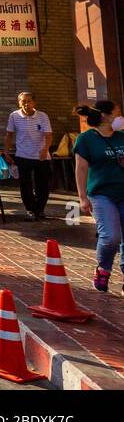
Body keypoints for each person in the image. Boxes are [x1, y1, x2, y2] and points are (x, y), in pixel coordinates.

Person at [74, 100, 124, 293]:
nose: (120, 117)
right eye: (117, 113)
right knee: (111, 236)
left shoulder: (121, 137)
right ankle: (103, 269)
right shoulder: (86, 139)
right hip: (101, 193)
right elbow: (81, 169)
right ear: (105, 115)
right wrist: (82, 197)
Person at [5, 91, 54, 221]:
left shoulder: (42, 116)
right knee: (25, 184)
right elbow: (9, 135)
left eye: (29, 101)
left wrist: (45, 149)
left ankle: (40, 208)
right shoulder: (14, 116)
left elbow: (48, 135)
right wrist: (6, 151)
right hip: (22, 154)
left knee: (42, 184)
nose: (26, 104)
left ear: (34, 102)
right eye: (23, 101)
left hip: (41, 155)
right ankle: (30, 209)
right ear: (19, 103)